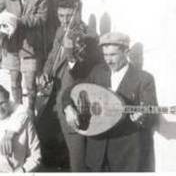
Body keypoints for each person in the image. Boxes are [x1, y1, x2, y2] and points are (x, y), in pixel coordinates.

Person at [62, 32, 158, 172]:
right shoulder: (98, 72)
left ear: (126, 52)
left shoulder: (144, 79)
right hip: (96, 156)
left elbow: (152, 116)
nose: (108, 60)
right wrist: (68, 108)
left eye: (113, 55)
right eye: (105, 55)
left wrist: (142, 118)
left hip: (124, 157)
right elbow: (71, 91)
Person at [36, 0, 100, 171]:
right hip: (54, 89)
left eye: (69, 16)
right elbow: (53, 54)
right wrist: (46, 71)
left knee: (75, 142)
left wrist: (71, 50)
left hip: (70, 93)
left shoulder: (88, 37)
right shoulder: (61, 30)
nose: (64, 21)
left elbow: (82, 72)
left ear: (78, 11)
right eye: (61, 16)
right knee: (45, 130)